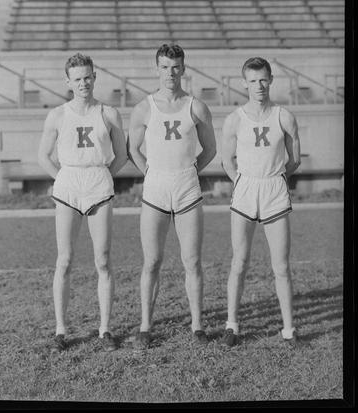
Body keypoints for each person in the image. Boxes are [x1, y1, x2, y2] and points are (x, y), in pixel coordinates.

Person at [128, 43, 217, 348]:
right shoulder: (144, 107)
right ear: (157, 69)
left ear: (183, 68)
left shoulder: (196, 106)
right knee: (152, 260)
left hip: (187, 189)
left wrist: (190, 171)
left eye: (176, 66)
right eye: (165, 67)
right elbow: (132, 149)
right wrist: (151, 173)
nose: (171, 73)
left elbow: (211, 149)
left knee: (191, 260)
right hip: (155, 190)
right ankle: (145, 326)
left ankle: (197, 326)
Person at [38, 53, 127, 352]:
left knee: (102, 259)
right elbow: (43, 155)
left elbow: (122, 154)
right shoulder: (58, 115)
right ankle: (61, 330)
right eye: (77, 78)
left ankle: (105, 329)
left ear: (94, 76)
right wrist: (61, 179)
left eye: (87, 77)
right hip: (68, 187)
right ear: (68, 81)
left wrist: (103, 177)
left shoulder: (109, 113)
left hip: (98, 185)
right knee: (64, 260)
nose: (83, 83)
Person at [221, 57, 301, 347]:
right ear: (244, 83)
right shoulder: (235, 118)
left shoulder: (284, 116)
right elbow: (225, 158)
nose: (259, 85)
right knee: (239, 262)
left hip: (274, 191)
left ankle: (289, 330)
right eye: (253, 80)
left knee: (280, 266)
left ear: (271, 80)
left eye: (263, 79)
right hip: (245, 190)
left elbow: (294, 160)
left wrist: (275, 178)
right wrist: (241, 181)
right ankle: (232, 326)